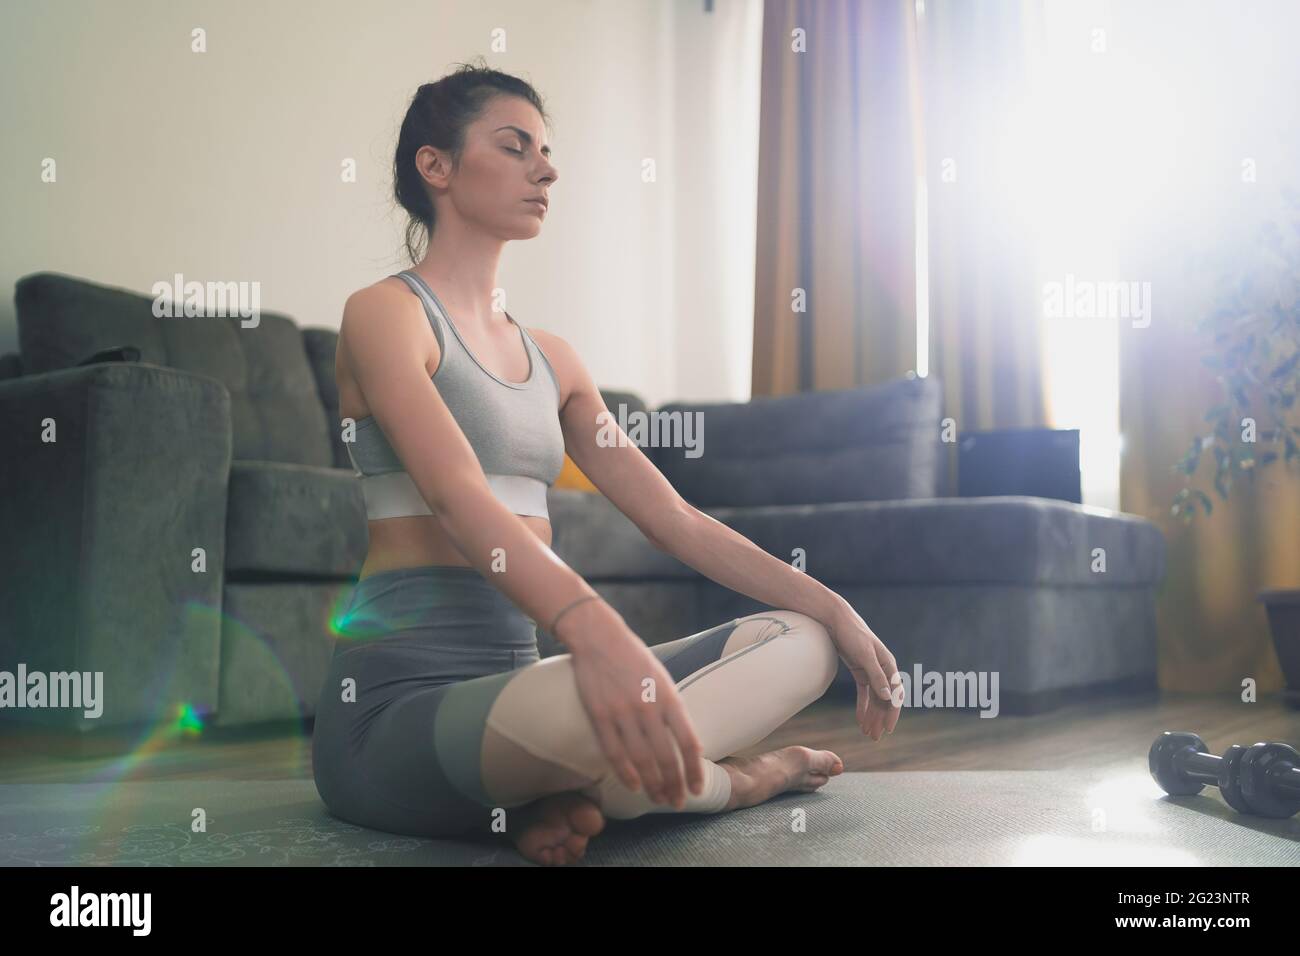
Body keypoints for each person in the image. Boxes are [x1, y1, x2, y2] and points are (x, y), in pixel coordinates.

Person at [311, 60, 902, 866]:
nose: (546, 169)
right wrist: (597, 631)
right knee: (593, 704)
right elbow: (454, 496)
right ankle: (740, 779)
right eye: (515, 147)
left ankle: (577, 791)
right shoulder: (386, 314)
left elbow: (675, 519)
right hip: (397, 711)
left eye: (547, 152)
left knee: (801, 641)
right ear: (436, 166)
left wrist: (837, 609)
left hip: (531, 694)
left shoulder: (556, 361)